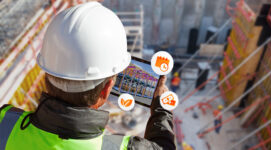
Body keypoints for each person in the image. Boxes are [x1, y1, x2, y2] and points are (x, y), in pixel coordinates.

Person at [0, 2, 175, 150]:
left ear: (47, 74)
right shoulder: (117, 146)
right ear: (106, 90)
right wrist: (161, 110)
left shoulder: (4, 123)